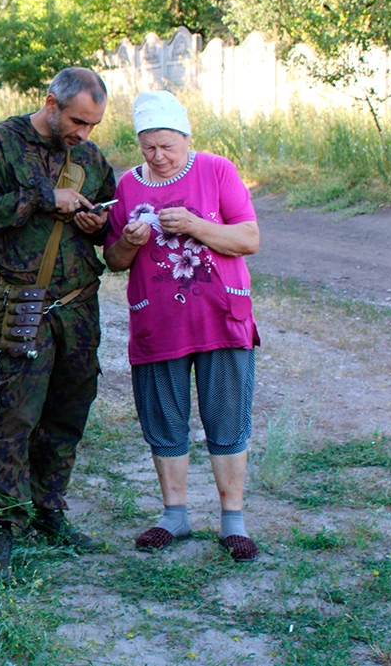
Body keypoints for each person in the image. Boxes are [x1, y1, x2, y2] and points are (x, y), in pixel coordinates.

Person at [0, 67, 116, 577]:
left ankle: (50, 507)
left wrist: (99, 225)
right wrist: (45, 198)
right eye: (77, 121)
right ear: (51, 103)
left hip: (79, 304)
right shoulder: (2, 141)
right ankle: (2, 524)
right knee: (17, 415)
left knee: (69, 412)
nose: (84, 133)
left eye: (92, 124)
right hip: (26, 300)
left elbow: (108, 219)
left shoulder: (90, 158)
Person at [103, 90, 261, 562]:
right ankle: (174, 515)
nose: (158, 156)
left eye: (168, 146)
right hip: (157, 321)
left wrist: (193, 224)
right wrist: (130, 243)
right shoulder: (128, 187)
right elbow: (113, 260)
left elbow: (248, 238)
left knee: (227, 419)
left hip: (221, 318)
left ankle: (232, 521)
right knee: (165, 421)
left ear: (188, 138)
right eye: (148, 147)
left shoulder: (216, 170)